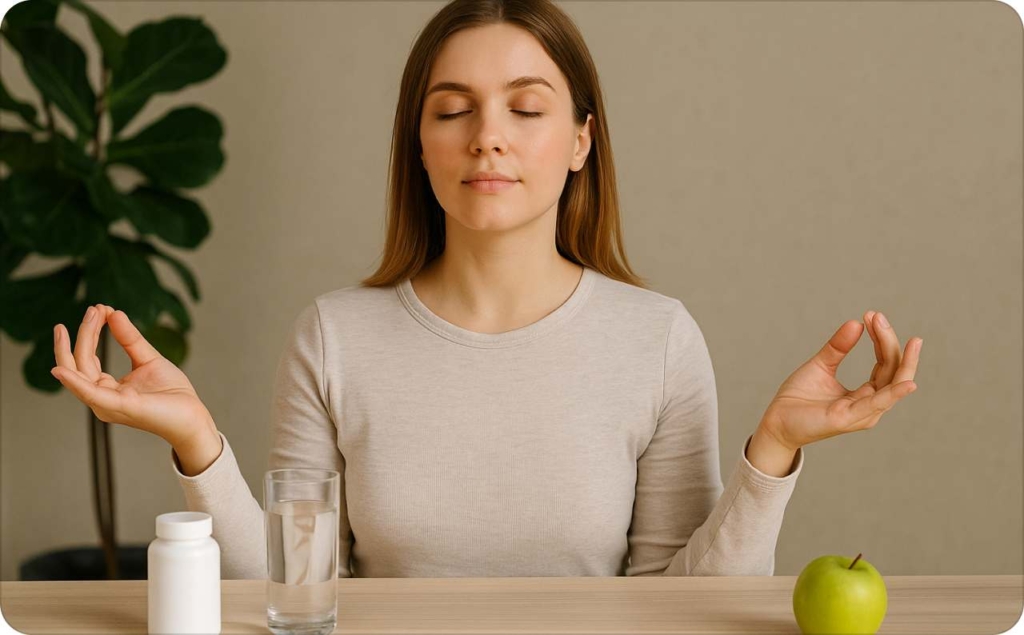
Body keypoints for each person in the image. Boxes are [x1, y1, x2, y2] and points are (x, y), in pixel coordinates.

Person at [50, 0, 922, 580]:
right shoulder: (333, 335)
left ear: (582, 141)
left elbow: (672, 611)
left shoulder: (657, 338)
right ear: (419, 145)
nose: (487, 139)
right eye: (453, 108)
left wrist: (772, 451)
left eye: (527, 108)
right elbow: (296, 596)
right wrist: (198, 443)